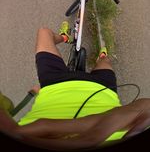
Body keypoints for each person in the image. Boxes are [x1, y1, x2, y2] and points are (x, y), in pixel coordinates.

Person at [0, 22, 150, 151]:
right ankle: (96, 54)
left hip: (91, 87)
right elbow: (6, 104)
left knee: (44, 32)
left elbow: (144, 107)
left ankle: (79, 44)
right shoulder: (20, 133)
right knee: (45, 33)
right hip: (59, 85)